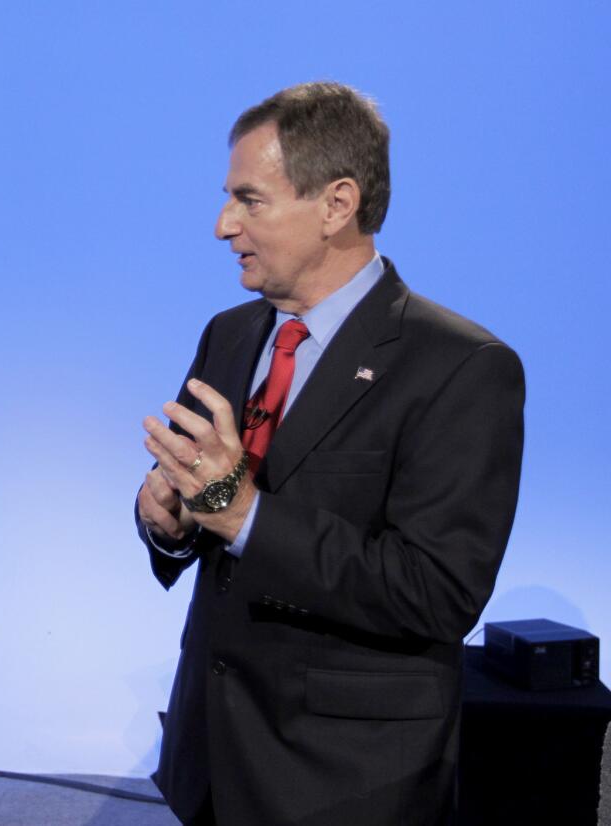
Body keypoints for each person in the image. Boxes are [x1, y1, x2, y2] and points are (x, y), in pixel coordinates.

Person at [135, 82, 524, 825]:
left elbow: (437, 591)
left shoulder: (461, 367)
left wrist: (240, 512)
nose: (223, 225)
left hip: (342, 782)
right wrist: (167, 517)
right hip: (212, 757)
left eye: (250, 200)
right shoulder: (231, 333)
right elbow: (201, 503)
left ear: (337, 204)